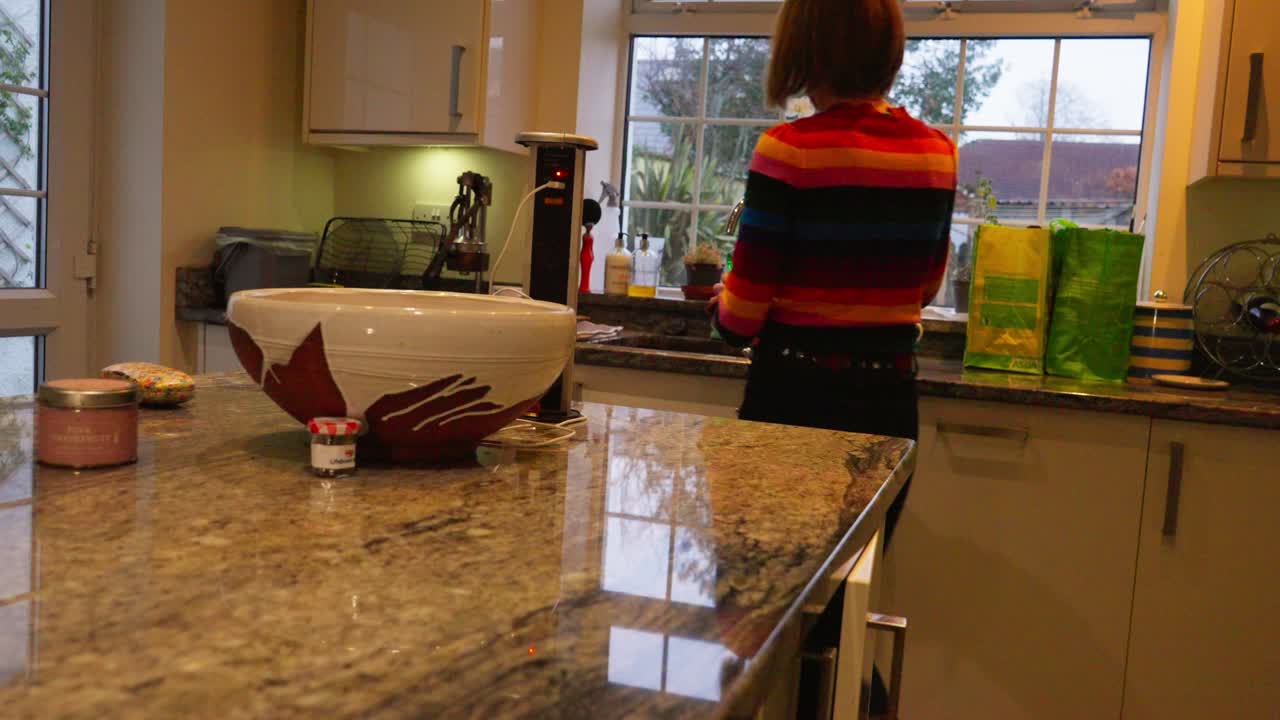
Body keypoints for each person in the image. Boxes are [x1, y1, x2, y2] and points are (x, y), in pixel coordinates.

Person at [711, 0, 955, 477]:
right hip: (890, 404)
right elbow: (923, 289)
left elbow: (739, 321)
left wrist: (725, 300)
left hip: (794, 403)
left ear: (803, 46)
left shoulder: (788, 150)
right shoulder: (937, 154)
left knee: (770, 551)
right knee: (865, 553)